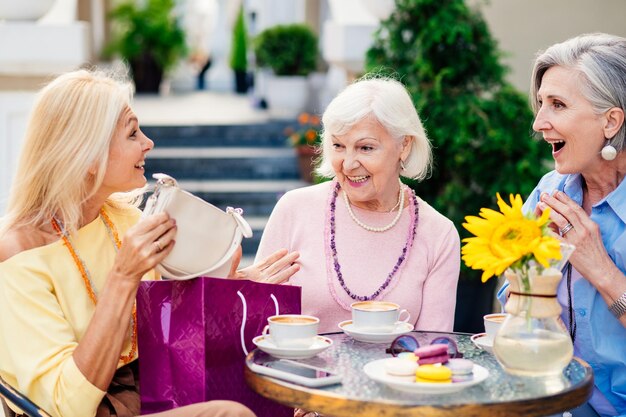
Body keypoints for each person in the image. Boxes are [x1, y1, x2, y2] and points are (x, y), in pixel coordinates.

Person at [0, 68, 298, 417]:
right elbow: (68, 406)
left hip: (153, 392)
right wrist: (123, 277)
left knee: (277, 396)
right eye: (132, 133)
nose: (148, 142)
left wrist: (231, 290)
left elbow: (163, 335)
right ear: (88, 155)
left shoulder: (123, 220)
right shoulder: (19, 252)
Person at [255, 77, 460, 334]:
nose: (349, 163)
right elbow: (258, 324)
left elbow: (433, 350)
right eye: (339, 145)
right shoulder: (294, 209)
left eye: (365, 147)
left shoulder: (439, 234)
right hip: (297, 374)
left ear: (404, 146)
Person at [497, 33, 626, 417]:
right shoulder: (550, 193)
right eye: (540, 104)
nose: (539, 123)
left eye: (557, 105)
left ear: (611, 121)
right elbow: (513, 302)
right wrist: (534, 276)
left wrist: (601, 270)